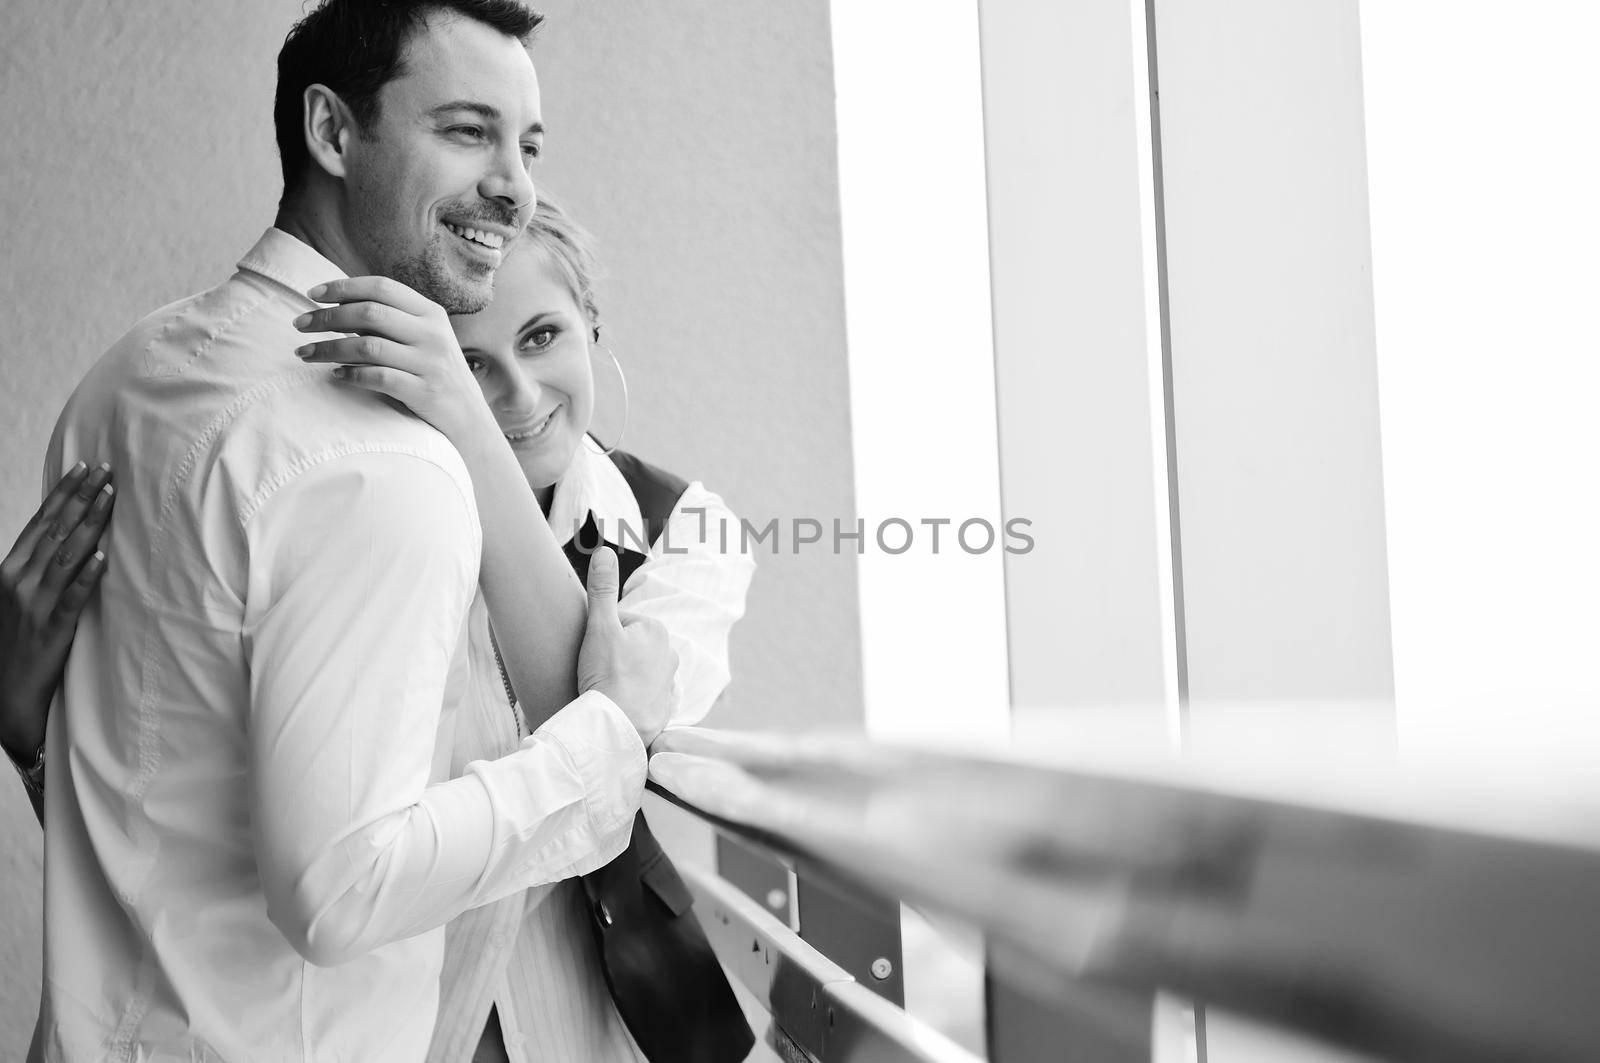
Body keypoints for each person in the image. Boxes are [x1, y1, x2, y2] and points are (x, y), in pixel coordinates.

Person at [27, 2, 679, 1060]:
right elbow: (340, 890)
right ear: (332, 133)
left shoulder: (129, 375)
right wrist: (607, 741)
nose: (513, 183)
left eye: (528, 143)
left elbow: (154, 780)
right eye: (467, 131)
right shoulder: (381, 464)